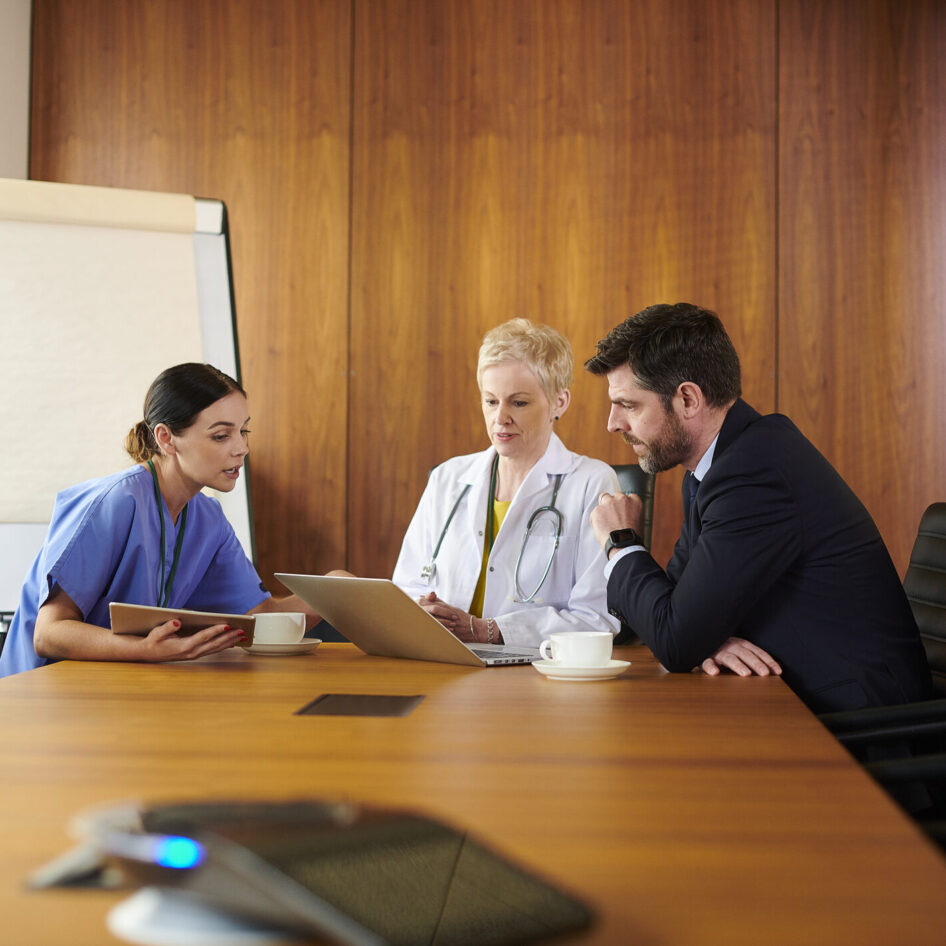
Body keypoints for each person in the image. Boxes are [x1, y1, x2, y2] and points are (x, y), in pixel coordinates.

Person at [585, 303, 932, 713]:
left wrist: (621, 543)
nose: (612, 423)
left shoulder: (753, 474)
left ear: (688, 399)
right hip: (798, 701)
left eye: (628, 405)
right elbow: (675, 614)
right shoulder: (719, 465)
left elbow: (674, 638)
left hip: (860, 729)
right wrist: (704, 636)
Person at [0, 363, 315, 678]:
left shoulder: (208, 519)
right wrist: (146, 650)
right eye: (221, 435)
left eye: (243, 431)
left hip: (114, 691)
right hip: (39, 695)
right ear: (166, 439)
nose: (242, 448)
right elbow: (49, 634)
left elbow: (258, 615)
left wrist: (334, 595)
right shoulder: (113, 502)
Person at [392, 318, 619, 648]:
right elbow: (407, 589)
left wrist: (489, 630)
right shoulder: (448, 478)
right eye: (491, 401)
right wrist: (421, 611)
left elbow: (596, 618)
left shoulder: (592, 483)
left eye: (519, 402)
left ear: (560, 402)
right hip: (442, 665)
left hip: (537, 676)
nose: (500, 418)